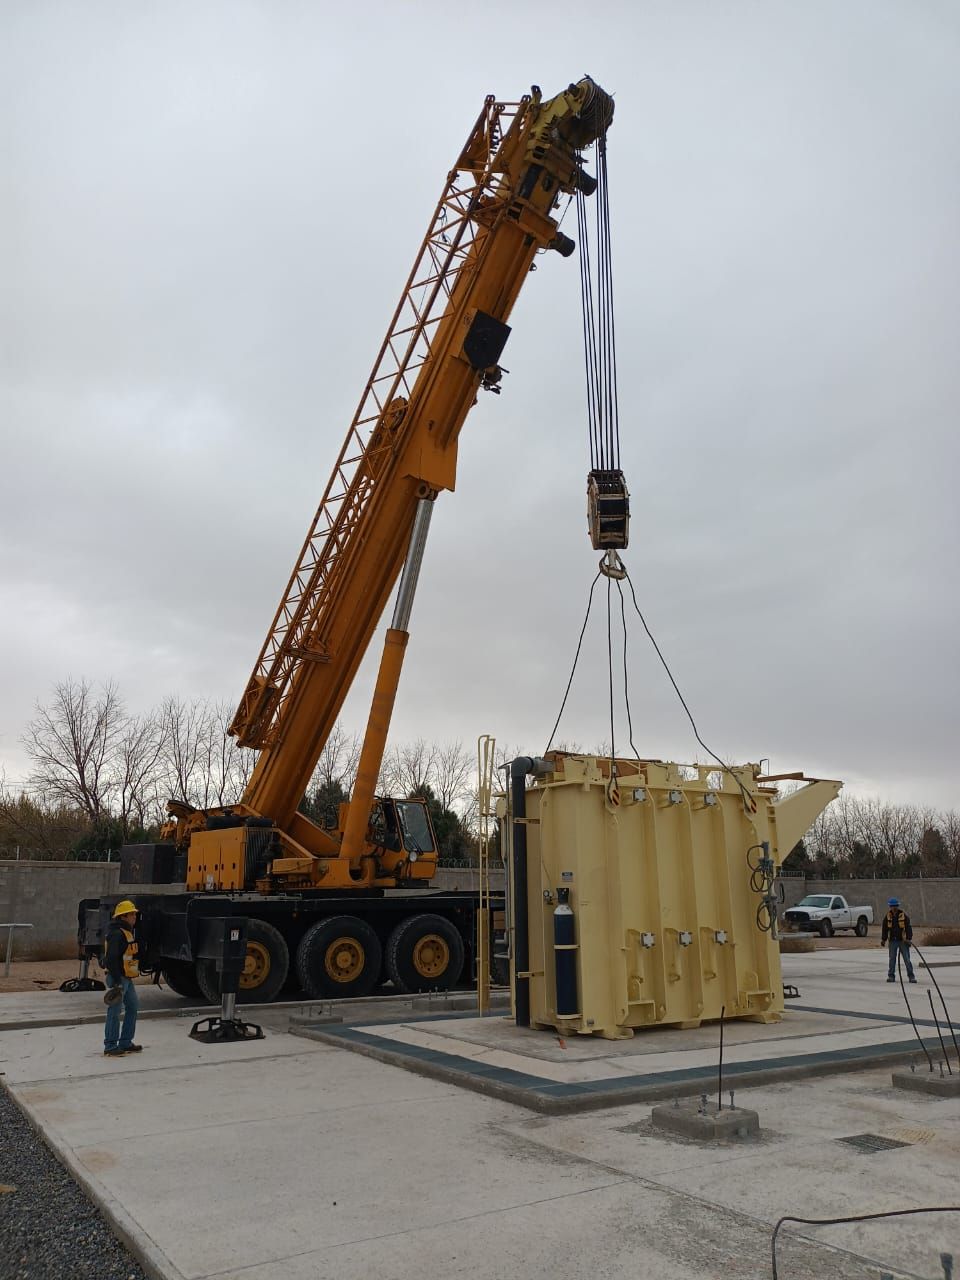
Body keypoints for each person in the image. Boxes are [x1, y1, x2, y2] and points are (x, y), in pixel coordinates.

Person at [103, 899, 144, 1056]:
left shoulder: (126, 932)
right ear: (123, 917)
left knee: (132, 1007)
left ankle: (125, 1042)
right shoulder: (116, 934)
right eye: (132, 914)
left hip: (126, 978)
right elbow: (111, 959)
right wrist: (118, 981)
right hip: (119, 978)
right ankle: (111, 1046)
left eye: (134, 914)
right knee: (114, 1011)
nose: (135, 916)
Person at [881, 897, 916, 984]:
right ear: (890, 906)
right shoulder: (887, 916)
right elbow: (884, 929)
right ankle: (891, 976)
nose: (894, 907)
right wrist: (883, 939)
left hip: (903, 941)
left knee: (907, 959)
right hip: (893, 941)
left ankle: (911, 976)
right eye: (892, 906)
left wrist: (909, 939)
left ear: (898, 906)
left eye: (895, 905)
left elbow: (908, 927)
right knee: (892, 959)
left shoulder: (903, 915)